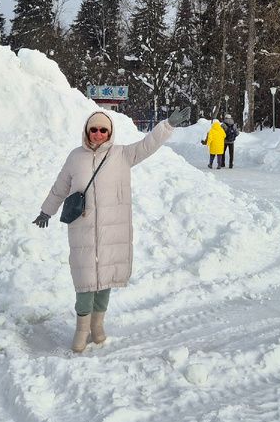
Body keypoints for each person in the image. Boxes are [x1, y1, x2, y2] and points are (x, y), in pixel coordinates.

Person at [32, 107, 191, 353]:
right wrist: (46, 210)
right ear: (87, 131)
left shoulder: (122, 155)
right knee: (84, 280)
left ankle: (97, 327)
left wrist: (167, 125)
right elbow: (60, 187)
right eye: (93, 129)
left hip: (112, 228)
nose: (98, 134)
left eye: (103, 130)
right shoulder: (75, 157)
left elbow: (148, 144)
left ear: (110, 133)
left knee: (105, 278)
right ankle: (81, 330)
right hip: (82, 226)